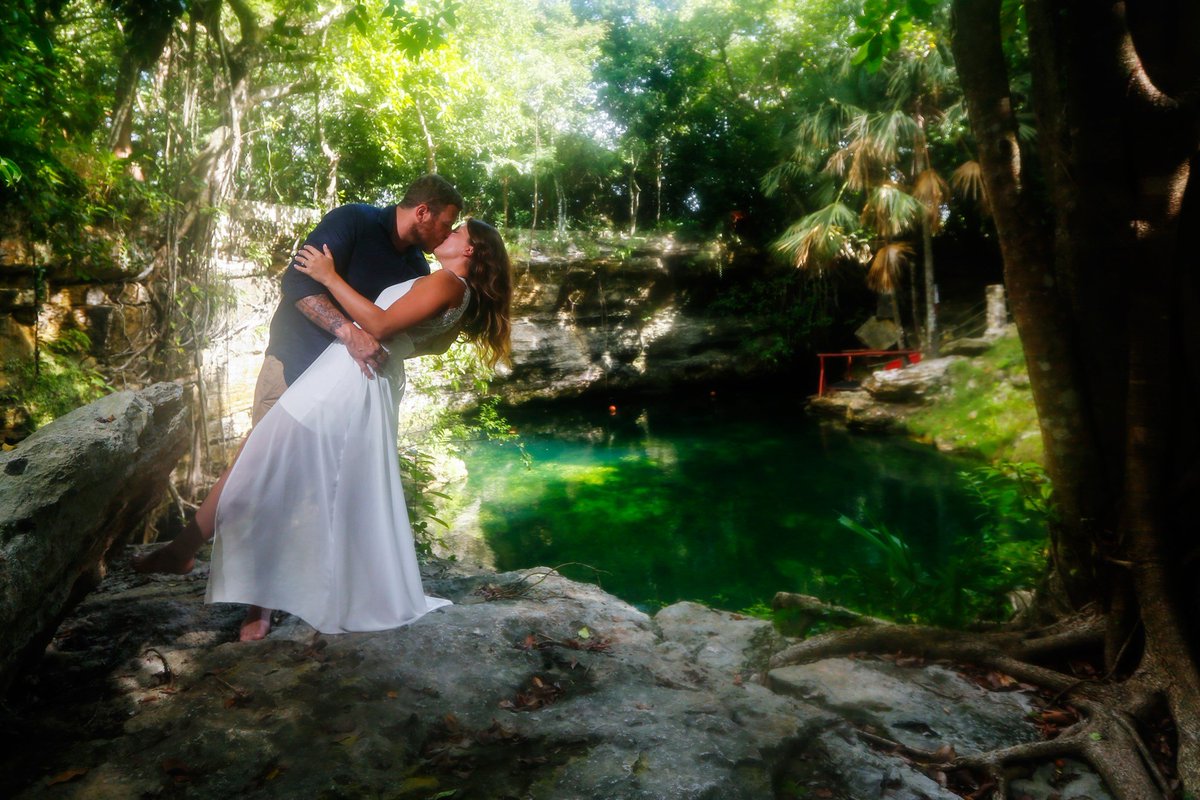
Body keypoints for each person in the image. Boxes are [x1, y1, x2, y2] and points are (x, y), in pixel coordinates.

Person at [136, 218, 512, 641]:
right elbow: (431, 342)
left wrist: (329, 277)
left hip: (346, 378)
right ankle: (201, 564)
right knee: (270, 463)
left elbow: (382, 325)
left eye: (457, 232)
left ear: (470, 252)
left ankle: (240, 590)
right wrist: (395, 345)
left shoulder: (445, 282)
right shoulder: (453, 292)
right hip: (353, 374)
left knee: (271, 466)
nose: (449, 234)